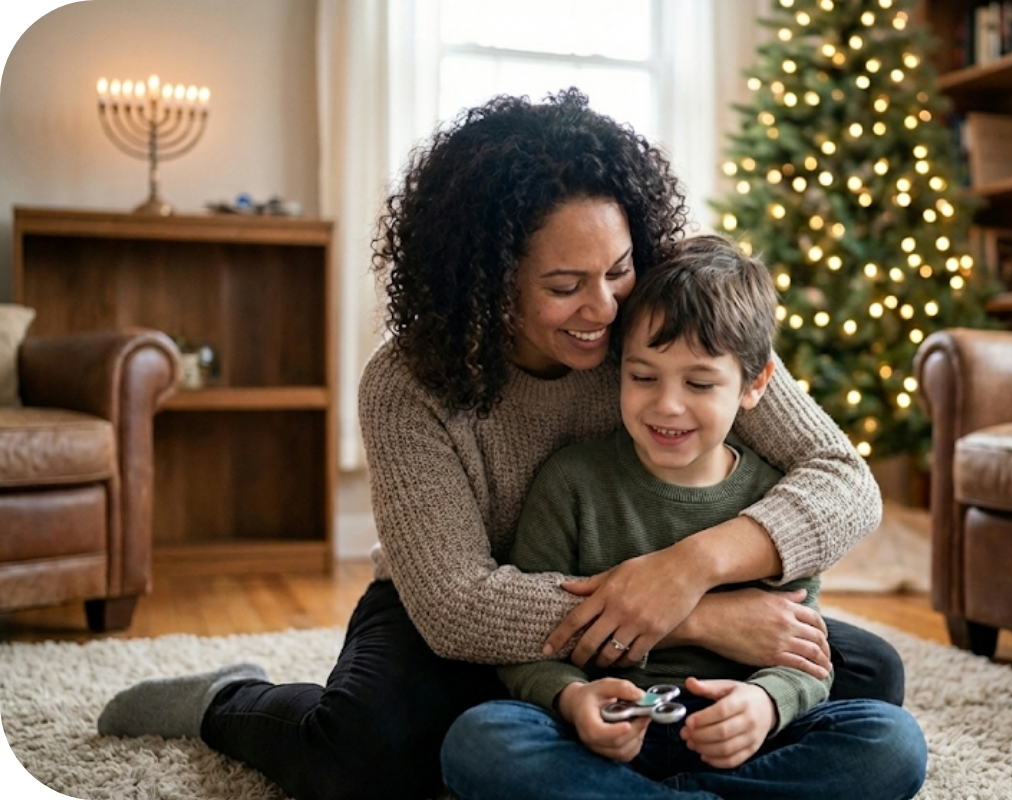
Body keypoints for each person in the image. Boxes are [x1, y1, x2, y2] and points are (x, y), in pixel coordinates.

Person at [96, 89, 902, 800]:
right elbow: (455, 605)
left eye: (617, 270)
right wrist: (700, 620)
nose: (604, 308)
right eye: (563, 287)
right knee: (362, 763)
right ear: (487, 281)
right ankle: (228, 701)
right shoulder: (408, 380)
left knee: (868, 675)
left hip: (645, 584)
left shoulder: (663, 322)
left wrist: (689, 572)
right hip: (467, 611)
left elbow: (842, 479)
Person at [440, 236, 926, 800]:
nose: (667, 405)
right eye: (643, 377)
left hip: (734, 736)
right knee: (481, 739)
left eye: (698, 383)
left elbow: (804, 653)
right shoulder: (571, 481)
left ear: (756, 384)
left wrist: (765, 706)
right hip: (606, 733)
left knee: (892, 741)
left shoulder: (777, 500)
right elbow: (531, 646)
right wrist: (574, 700)